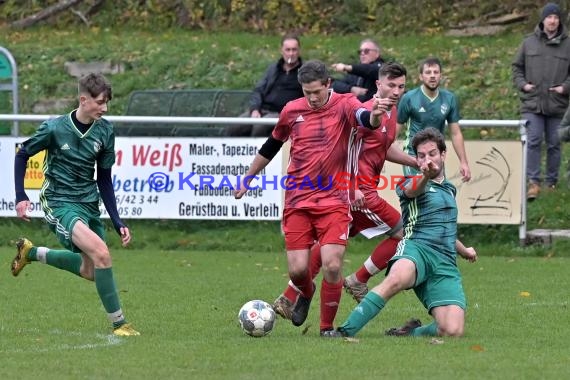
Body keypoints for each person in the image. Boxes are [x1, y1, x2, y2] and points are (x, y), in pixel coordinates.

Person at [234, 60, 385, 337]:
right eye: (307, 92)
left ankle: (326, 328)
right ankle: (306, 291)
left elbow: (367, 120)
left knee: (332, 264)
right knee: (298, 270)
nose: (312, 98)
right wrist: (248, 177)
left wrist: (375, 115)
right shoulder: (292, 110)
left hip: (335, 201)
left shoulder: (345, 104)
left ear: (328, 84)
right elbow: (272, 144)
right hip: (298, 202)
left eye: (317, 91)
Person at [272, 62, 417, 320]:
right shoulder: (364, 109)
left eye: (401, 87)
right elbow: (346, 146)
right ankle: (358, 279)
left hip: (353, 191)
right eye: (391, 85)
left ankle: (290, 295)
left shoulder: (392, 113)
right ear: (378, 85)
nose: (396, 91)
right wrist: (353, 186)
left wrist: (414, 162)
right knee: (401, 231)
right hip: (357, 192)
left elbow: (382, 147)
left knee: (331, 251)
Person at [12, 73, 139, 337]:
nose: (104, 108)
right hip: (59, 201)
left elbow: (104, 179)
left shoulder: (105, 131)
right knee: (102, 253)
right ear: (84, 99)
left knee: (91, 270)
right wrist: (21, 196)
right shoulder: (54, 128)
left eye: (107, 103)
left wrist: (117, 221)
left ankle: (31, 253)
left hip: (88, 203)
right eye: (100, 102)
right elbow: (23, 153)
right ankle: (120, 324)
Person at [332, 127, 478, 339]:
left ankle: (410, 332)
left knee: (452, 330)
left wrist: (464, 251)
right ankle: (345, 331)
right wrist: (425, 176)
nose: (427, 159)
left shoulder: (449, 189)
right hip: (416, 248)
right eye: (421, 156)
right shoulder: (409, 182)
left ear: (443, 154)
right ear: (416, 160)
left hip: (445, 262)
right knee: (396, 279)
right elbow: (413, 190)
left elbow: (445, 230)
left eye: (432, 153)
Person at [512, 3, 570, 201]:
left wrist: (565, 87)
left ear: (559, 20)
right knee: (534, 140)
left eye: (556, 17)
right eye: (549, 17)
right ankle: (533, 183)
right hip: (532, 103)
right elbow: (517, 67)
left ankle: (551, 183)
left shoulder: (568, 43)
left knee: (554, 143)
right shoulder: (528, 43)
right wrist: (523, 85)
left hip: (558, 103)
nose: (552, 20)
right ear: (543, 20)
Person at [397, 57, 471, 182]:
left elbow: (455, 133)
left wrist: (464, 162)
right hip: (413, 156)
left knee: (438, 197)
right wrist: (382, 153)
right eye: (428, 72)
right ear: (421, 76)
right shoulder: (409, 98)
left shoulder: (449, 98)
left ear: (440, 75)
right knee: (418, 195)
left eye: (436, 72)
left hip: (435, 156)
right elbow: (395, 128)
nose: (432, 76)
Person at [224, 33, 304, 137]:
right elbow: (258, 90)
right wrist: (255, 109)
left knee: (260, 127)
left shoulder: (305, 71)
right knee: (235, 126)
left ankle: (258, 153)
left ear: (299, 51)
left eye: (294, 50)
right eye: (288, 50)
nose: (291, 53)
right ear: (281, 51)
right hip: (262, 109)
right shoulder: (273, 69)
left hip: (283, 114)